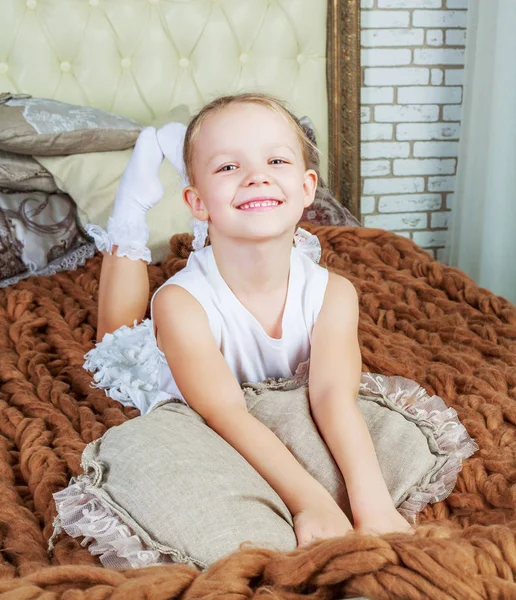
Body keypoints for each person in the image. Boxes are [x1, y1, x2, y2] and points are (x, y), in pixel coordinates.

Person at [86, 93, 413, 547]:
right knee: (114, 339)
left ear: (306, 189)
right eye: (229, 167)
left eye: (276, 160)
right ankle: (133, 203)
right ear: (195, 203)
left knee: (240, 233)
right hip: (185, 359)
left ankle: (208, 170)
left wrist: (373, 504)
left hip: (243, 259)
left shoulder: (334, 295)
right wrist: (308, 501)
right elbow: (227, 413)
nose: (258, 176)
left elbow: (334, 397)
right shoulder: (180, 305)